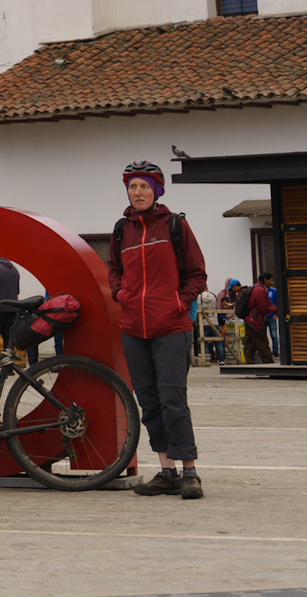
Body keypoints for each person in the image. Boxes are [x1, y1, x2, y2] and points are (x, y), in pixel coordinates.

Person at [108, 160, 208, 500]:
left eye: (144, 187)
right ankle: (167, 471)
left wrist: (180, 302)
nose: (137, 192)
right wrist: (120, 293)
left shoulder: (175, 225)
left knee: (173, 399)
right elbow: (114, 270)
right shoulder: (122, 230)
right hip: (133, 326)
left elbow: (197, 273)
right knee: (149, 402)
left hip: (170, 326)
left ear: (157, 191)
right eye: (133, 187)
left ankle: (190, 472)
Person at [242, 273, 275, 365]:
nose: (272, 283)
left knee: (250, 344)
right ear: (265, 280)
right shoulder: (260, 290)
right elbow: (263, 307)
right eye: (271, 280)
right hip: (256, 321)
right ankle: (269, 364)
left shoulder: (256, 288)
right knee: (262, 343)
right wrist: (274, 309)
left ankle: (250, 363)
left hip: (249, 320)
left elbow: (267, 303)